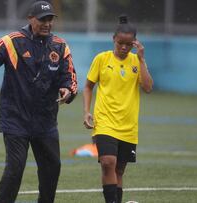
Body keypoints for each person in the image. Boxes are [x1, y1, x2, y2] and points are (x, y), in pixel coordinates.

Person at [0, 1, 77, 202]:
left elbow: (69, 76)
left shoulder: (60, 46)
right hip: (16, 119)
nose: (47, 24)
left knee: (52, 168)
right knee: (15, 169)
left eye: (50, 19)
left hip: (46, 122)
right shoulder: (11, 41)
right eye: (42, 19)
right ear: (30, 19)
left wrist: (68, 90)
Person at [83, 15, 153, 203]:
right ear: (114, 39)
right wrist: (86, 111)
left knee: (119, 170)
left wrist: (142, 59)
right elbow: (89, 86)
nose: (123, 47)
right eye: (120, 43)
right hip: (105, 121)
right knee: (108, 163)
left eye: (128, 44)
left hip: (128, 125)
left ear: (134, 43)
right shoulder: (102, 59)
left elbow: (147, 88)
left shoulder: (136, 61)